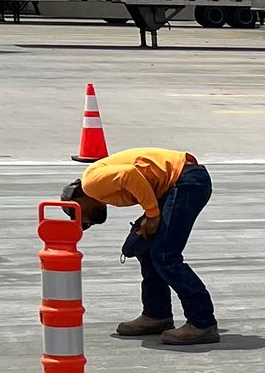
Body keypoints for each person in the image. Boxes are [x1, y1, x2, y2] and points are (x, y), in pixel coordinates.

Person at [67, 147, 219, 346]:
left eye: (78, 213)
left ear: (78, 199)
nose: (84, 222)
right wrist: (148, 218)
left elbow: (130, 174)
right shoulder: (101, 187)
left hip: (185, 182)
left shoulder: (91, 184)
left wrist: (152, 215)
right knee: (147, 250)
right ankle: (156, 315)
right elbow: (142, 179)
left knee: (165, 255)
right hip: (179, 183)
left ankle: (202, 323)